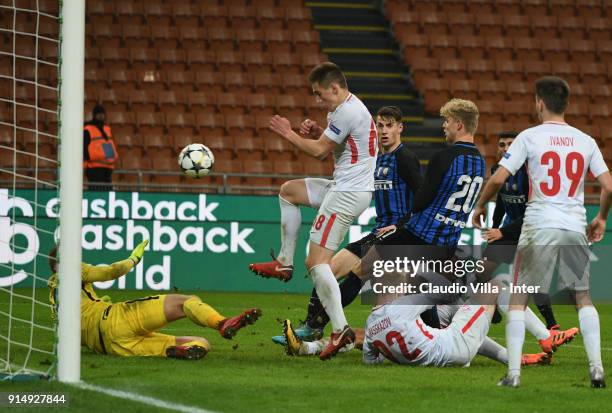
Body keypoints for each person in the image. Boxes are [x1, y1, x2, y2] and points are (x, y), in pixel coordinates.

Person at [472, 76, 612, 388]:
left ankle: (513, 375)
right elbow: (608, 185)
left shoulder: (530, 137)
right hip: (574, 225)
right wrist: (600, 218)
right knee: (583, 296)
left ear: (539, 102)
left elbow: (497, 179)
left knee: (519, 297)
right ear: (567, 104)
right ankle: (597, 371)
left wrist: (480, 205)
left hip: (538, 224)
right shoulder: (585, 140)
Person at [249, 62, 378, 359]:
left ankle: (340, 330)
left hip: (347, 193)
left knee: (317, 263)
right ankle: (283, 261)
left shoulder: (347, 110)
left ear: (335, 87)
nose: (318, 101)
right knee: (288, 191)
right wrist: (321, 132)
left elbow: (319, 151)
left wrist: (289, 133)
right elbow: (342, 146)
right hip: (343, 186)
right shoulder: (345, 108)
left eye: (320, 95)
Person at [272, 106, 423, 344]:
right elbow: (350, 151)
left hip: (399, 236)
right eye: (379, 125)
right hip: (378, 233)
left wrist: (401, 225)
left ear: (400, 128)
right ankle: (313, 327)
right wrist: (322, 133)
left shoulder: (405, 158)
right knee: (326, 269)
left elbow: (424, 198)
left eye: (389, 125)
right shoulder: (375, 157)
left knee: (358, 277)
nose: (383, 131)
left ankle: (336, 331)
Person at [47, 240, 261, 359]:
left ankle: (178, 352)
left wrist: (95, 303)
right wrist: (133, 259)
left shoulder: (55, 299)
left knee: (202, 343)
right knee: (185, 302)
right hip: (115, 319)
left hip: (113, 348)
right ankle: (222, 323)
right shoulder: (71, 269)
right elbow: (113, 271)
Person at [480, 131, 578, 353]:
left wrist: (502, 232)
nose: (505, 149)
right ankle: (493, 307)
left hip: (530, 232)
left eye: (510, 145)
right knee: (481, 271)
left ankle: (552, 327)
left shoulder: (531, 173)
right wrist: (494, 227)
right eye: (502, 145)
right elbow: (503, 204)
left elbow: (531, 212)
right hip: (507, 233)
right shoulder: (498, 171)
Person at [83, 104, 118, 191]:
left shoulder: (106, 128)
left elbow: (109, 144)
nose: (101, 115)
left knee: (106, 193)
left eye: (102, 113)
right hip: (94, 168)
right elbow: (84, 147)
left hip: (107, 168)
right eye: (99, 113)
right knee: (96, 192)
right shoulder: (88, 128)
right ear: (94, 115)